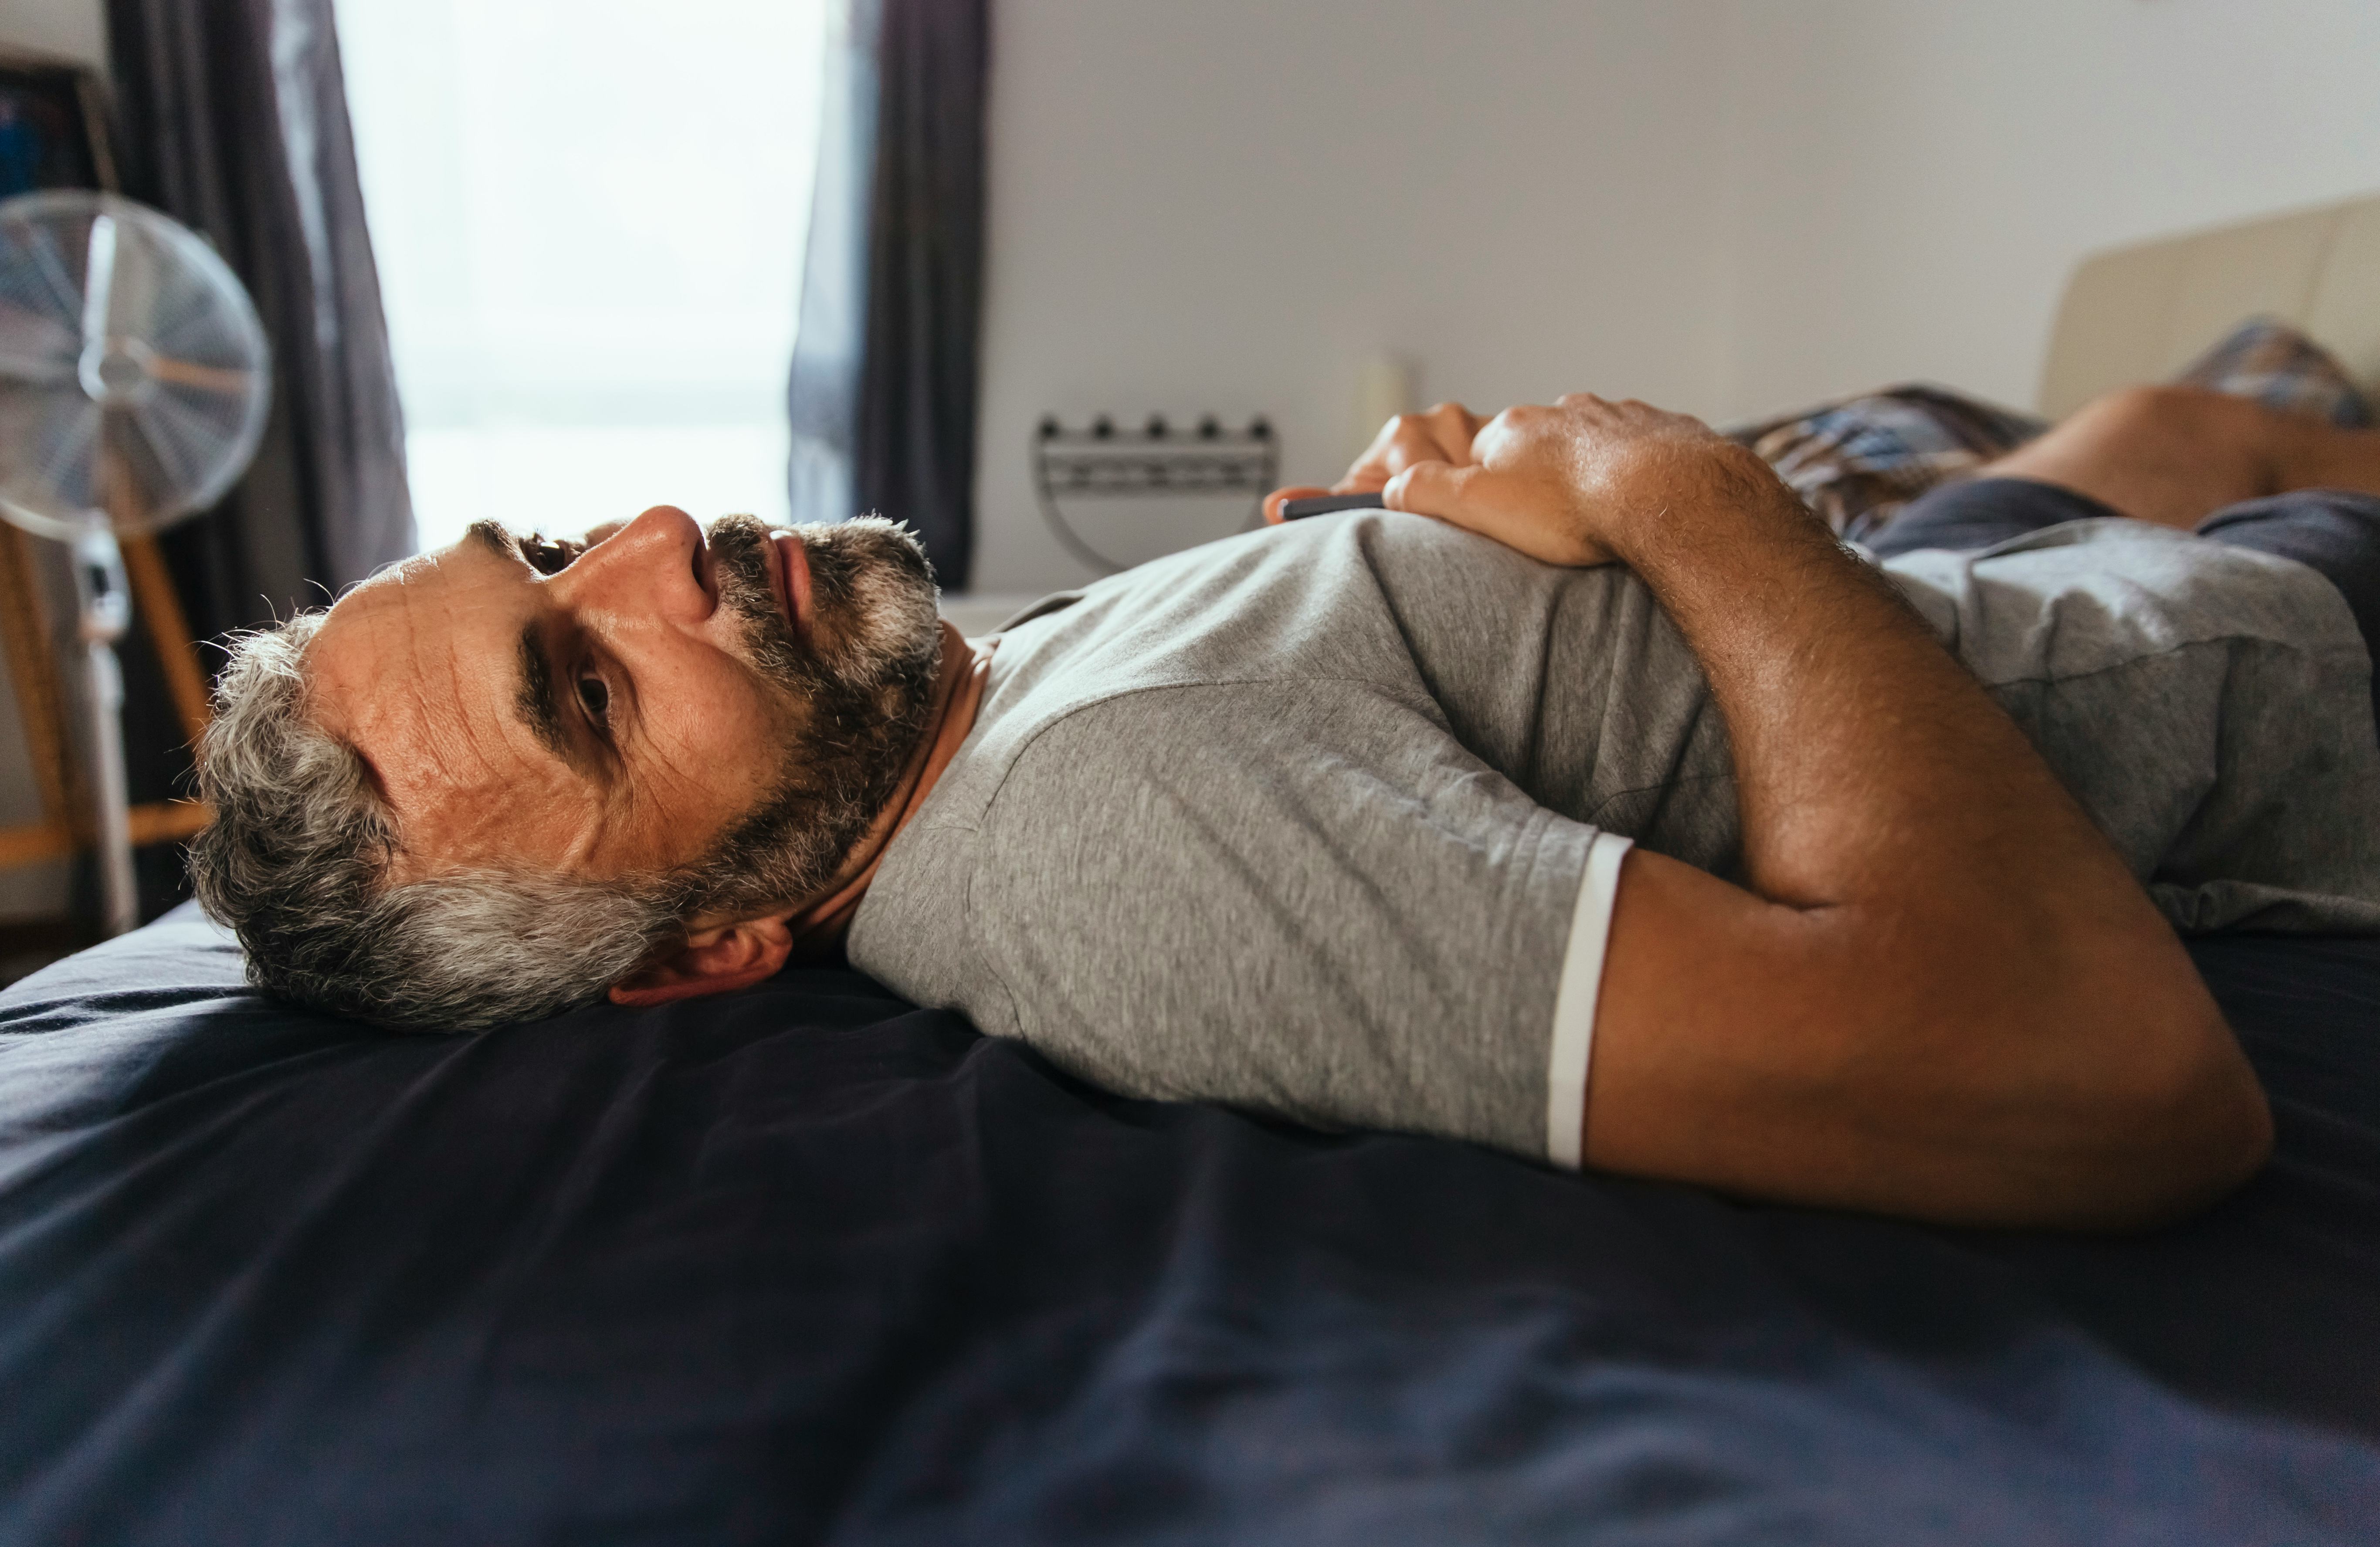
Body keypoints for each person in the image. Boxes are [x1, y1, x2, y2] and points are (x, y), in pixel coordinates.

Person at [190, 384, 2380, 1230]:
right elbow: (2085, 1082)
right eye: (585, 683)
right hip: (2286, 661)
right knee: (2230, 450)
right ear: (707, 951)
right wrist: (1674, 492)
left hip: (1966, 567)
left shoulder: (932, 705)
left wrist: (1394, 533)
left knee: (2169, 410)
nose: (658, 541)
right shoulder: (1107, 841)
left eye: (549, 550)